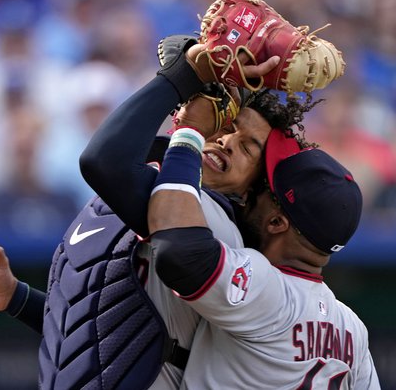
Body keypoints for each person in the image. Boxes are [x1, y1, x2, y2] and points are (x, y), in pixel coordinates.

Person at [0, 37, 314, 388]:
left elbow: (103, 161)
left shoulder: (205, 221)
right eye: (227, 126)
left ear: (253, 188)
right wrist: (18, 298)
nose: (228, 142)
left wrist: (183, 79)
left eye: (248, 148)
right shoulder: (159, 192)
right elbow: (98, 335)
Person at [147, 114, 381, 387]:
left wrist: (190, 132)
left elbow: (180, 254)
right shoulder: (352, 329)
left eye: (263, 190)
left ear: (276, 222)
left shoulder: (269, 289)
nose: (249, 192)